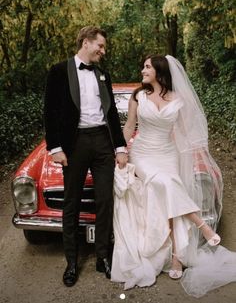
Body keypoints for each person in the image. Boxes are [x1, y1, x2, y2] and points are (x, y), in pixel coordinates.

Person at [111, 54, 236, 297]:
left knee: (168, 190)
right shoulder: (138, 95)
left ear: (159, 71)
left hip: (168, 155)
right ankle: (202, 225)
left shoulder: (179, 99)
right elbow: (129, 127)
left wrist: (191, 153)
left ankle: (177, 257)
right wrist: (121, 150)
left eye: (147, 66)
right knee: (168, 183)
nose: (143, 70)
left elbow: (187, 131)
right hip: (144, 153)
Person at [44, 26, 128, 287]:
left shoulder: (103, 74)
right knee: (71, 203)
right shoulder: (59, 71)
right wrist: (55, 148)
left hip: (102, 141)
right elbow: (50, 111)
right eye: (100, 46)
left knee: (105, 199)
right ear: (86, 42)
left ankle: (103, 257)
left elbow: (112, 113)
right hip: (75, 144)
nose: (103, 51)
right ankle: (71, 262)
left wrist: (121, 147)